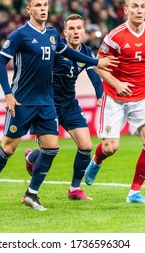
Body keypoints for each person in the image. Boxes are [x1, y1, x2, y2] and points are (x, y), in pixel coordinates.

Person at [0, 0, 116, 212]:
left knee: (51, 148)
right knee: (8, 148)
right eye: (38, 5)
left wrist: (95, 61)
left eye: (45, 4)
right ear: (29, 9)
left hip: (46, 102)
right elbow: (0, 63)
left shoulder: (51, 35)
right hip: (22, 101)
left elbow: (70, 54)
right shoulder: (20, 35)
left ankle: (32, 194)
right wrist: (8, 93)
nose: (43, 9)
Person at [84, 0, 145, 204]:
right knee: (110, 148)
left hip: (141, 98)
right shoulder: (115, 37)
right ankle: (96, 160)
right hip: (114, 98)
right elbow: (97, 65)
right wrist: (116, 83)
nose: (139, 10)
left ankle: (134, 192)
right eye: (134, 6)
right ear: (126, 10)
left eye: (142, 6)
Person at [24, 14, 103, 201]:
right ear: (65, 32)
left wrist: (100, 95)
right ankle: (31, 173)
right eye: (72, 29)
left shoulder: (86, 52)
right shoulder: (55, 48)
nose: (76, 32)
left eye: (79, 28)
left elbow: (94, 76)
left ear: (84, 31)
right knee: (49, 149)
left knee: (86, 146)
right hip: (47, 103)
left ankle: (74, 189)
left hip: (69, 104)